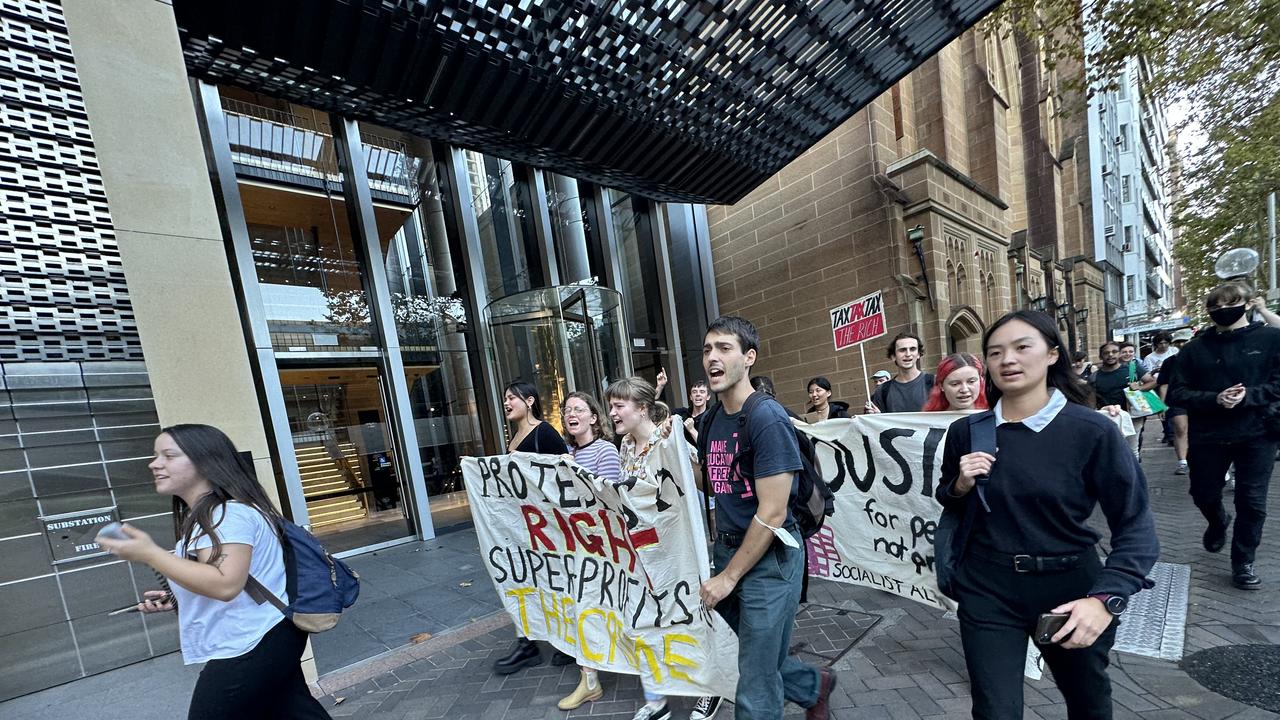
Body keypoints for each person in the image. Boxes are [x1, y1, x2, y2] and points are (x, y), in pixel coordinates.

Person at [937, 310, 1158, 720]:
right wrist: (960, 485)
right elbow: (949, 498)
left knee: (1087, 701)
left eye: (1023, 347)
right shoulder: (967, 431)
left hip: (1070, 590)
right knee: (994, 710)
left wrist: (1106, 600)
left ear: (1052, 354)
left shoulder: (1091, 430)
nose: (1008, 360)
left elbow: (1136, 525)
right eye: (995, 352)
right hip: (987, 589)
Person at [95, 424, 332, 720]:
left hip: (249, 643)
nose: (154, 463)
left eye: (169, 455)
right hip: (267, 636)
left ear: (206, 461)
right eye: (156, 455)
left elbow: (224, 584)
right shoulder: (218, 514)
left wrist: (150, 553)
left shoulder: (226, 515)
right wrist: (180, 597)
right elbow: (228, 580)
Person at [698, 315, 835, 720]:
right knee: (762, 652)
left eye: (724, 348)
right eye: (707, 349)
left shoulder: (766, 417)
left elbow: (773, 510)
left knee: (754, 681)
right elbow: (717, 484)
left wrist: (728, 577)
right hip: (728, 551)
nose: (712, 358)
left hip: (769, 559)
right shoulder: (710, 419)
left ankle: (800, 692)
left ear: (749, 357)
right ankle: (814, 686)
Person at [606, 377, 723, 720]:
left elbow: (701, 483)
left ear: (641, 408)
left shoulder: (667, 440)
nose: (612, 412)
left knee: (691, 615)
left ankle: (710, 690)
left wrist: (691, 450)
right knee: (641, 619)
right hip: (641, 551)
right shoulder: (625, 445)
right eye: (611, 406)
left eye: (618, 406)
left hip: (676, 549)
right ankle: (655, 699)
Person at [1168, 282, 1280, 590]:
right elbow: (1177, 392)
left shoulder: (1271, 339)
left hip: (1257, 432)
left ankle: (1243, 561)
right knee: (1203, 493)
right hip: (1209, 434)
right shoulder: (1194, 349)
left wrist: (1248, 397)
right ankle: (1218, 521)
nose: (1222, 311)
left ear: (1246, 303)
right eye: (1215, 307)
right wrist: (1215, 398)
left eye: (1229, 304)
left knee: (1252, 501)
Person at [492, 381, 572, 674]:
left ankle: (568, 641)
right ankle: (527, 644)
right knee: (520, 581)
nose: (506, 402)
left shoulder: (545, 433)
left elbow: (564, 475)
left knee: (554, 581)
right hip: (521, 525)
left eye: (511, 397)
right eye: (505, 398)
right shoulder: (513, 438)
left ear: (530, 401)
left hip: (547, 525)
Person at [556, 392, 623, 711]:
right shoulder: (567, 453)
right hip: (575, 548)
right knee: (580, 611)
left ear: (594, 418)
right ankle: (590, 680)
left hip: (602, 548)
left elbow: (608, 500)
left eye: (578, 409)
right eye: (567, 409)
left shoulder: (605, 450)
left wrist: (574, 474)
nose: (572, 413)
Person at [865, 332, 934, 413]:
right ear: (893, 356)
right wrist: (876, 416)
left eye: (912, 349)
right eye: (902, 350)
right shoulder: (883, 391)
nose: (908, 354)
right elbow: (880, 423)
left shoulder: (934, 382)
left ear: (918, 354)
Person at [1157, 351, 1189, 475]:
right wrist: (1162, 405)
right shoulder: (1169, 362)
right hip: (1176, 399)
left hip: (1199, 398)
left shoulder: (1202, 355)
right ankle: (1182, 462)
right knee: (1180, 428)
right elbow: (1164, 384)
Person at [921, 353, 988, 412]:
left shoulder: (995, 415)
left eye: (971, 382)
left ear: (981, 380)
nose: (964, 389)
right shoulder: (930, 421)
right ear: (941, 386)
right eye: (955, 384)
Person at [672, 379, 714, 444]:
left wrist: (691, 429)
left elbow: (709, 447)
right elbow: (655, 411)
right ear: (691, 397)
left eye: (702, 392)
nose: (698, 394)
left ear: (708, 397)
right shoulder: (681, 413)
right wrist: (660, 387)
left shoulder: (712, 418)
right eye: (694, 392)